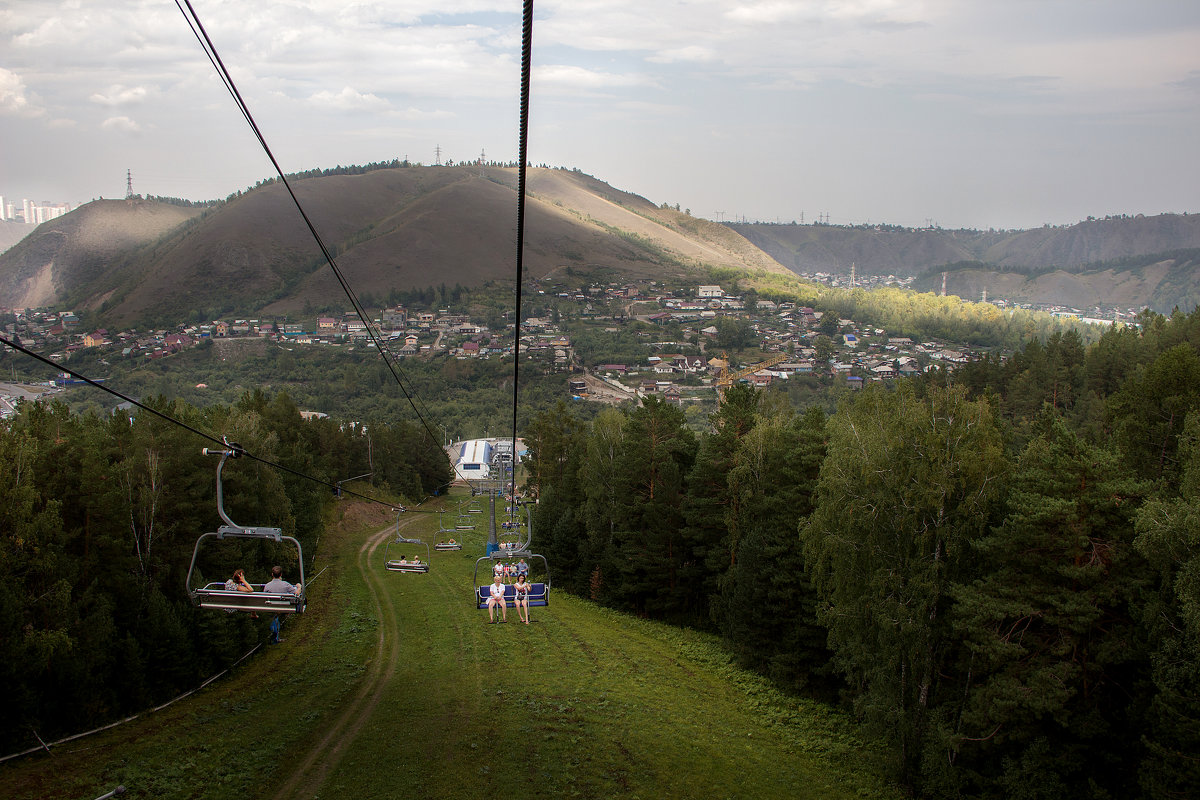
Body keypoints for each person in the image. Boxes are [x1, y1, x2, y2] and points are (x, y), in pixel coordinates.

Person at [262, 565, 301, 644]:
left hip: (271, 606)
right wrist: (299, 586)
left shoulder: (267, 585)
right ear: (281, 574)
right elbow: (296, 593)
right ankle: (274, 638)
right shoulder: (285, 584)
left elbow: (264, 596)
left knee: (273, 617)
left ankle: (274, 636)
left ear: (272, 574)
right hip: (283, 606)